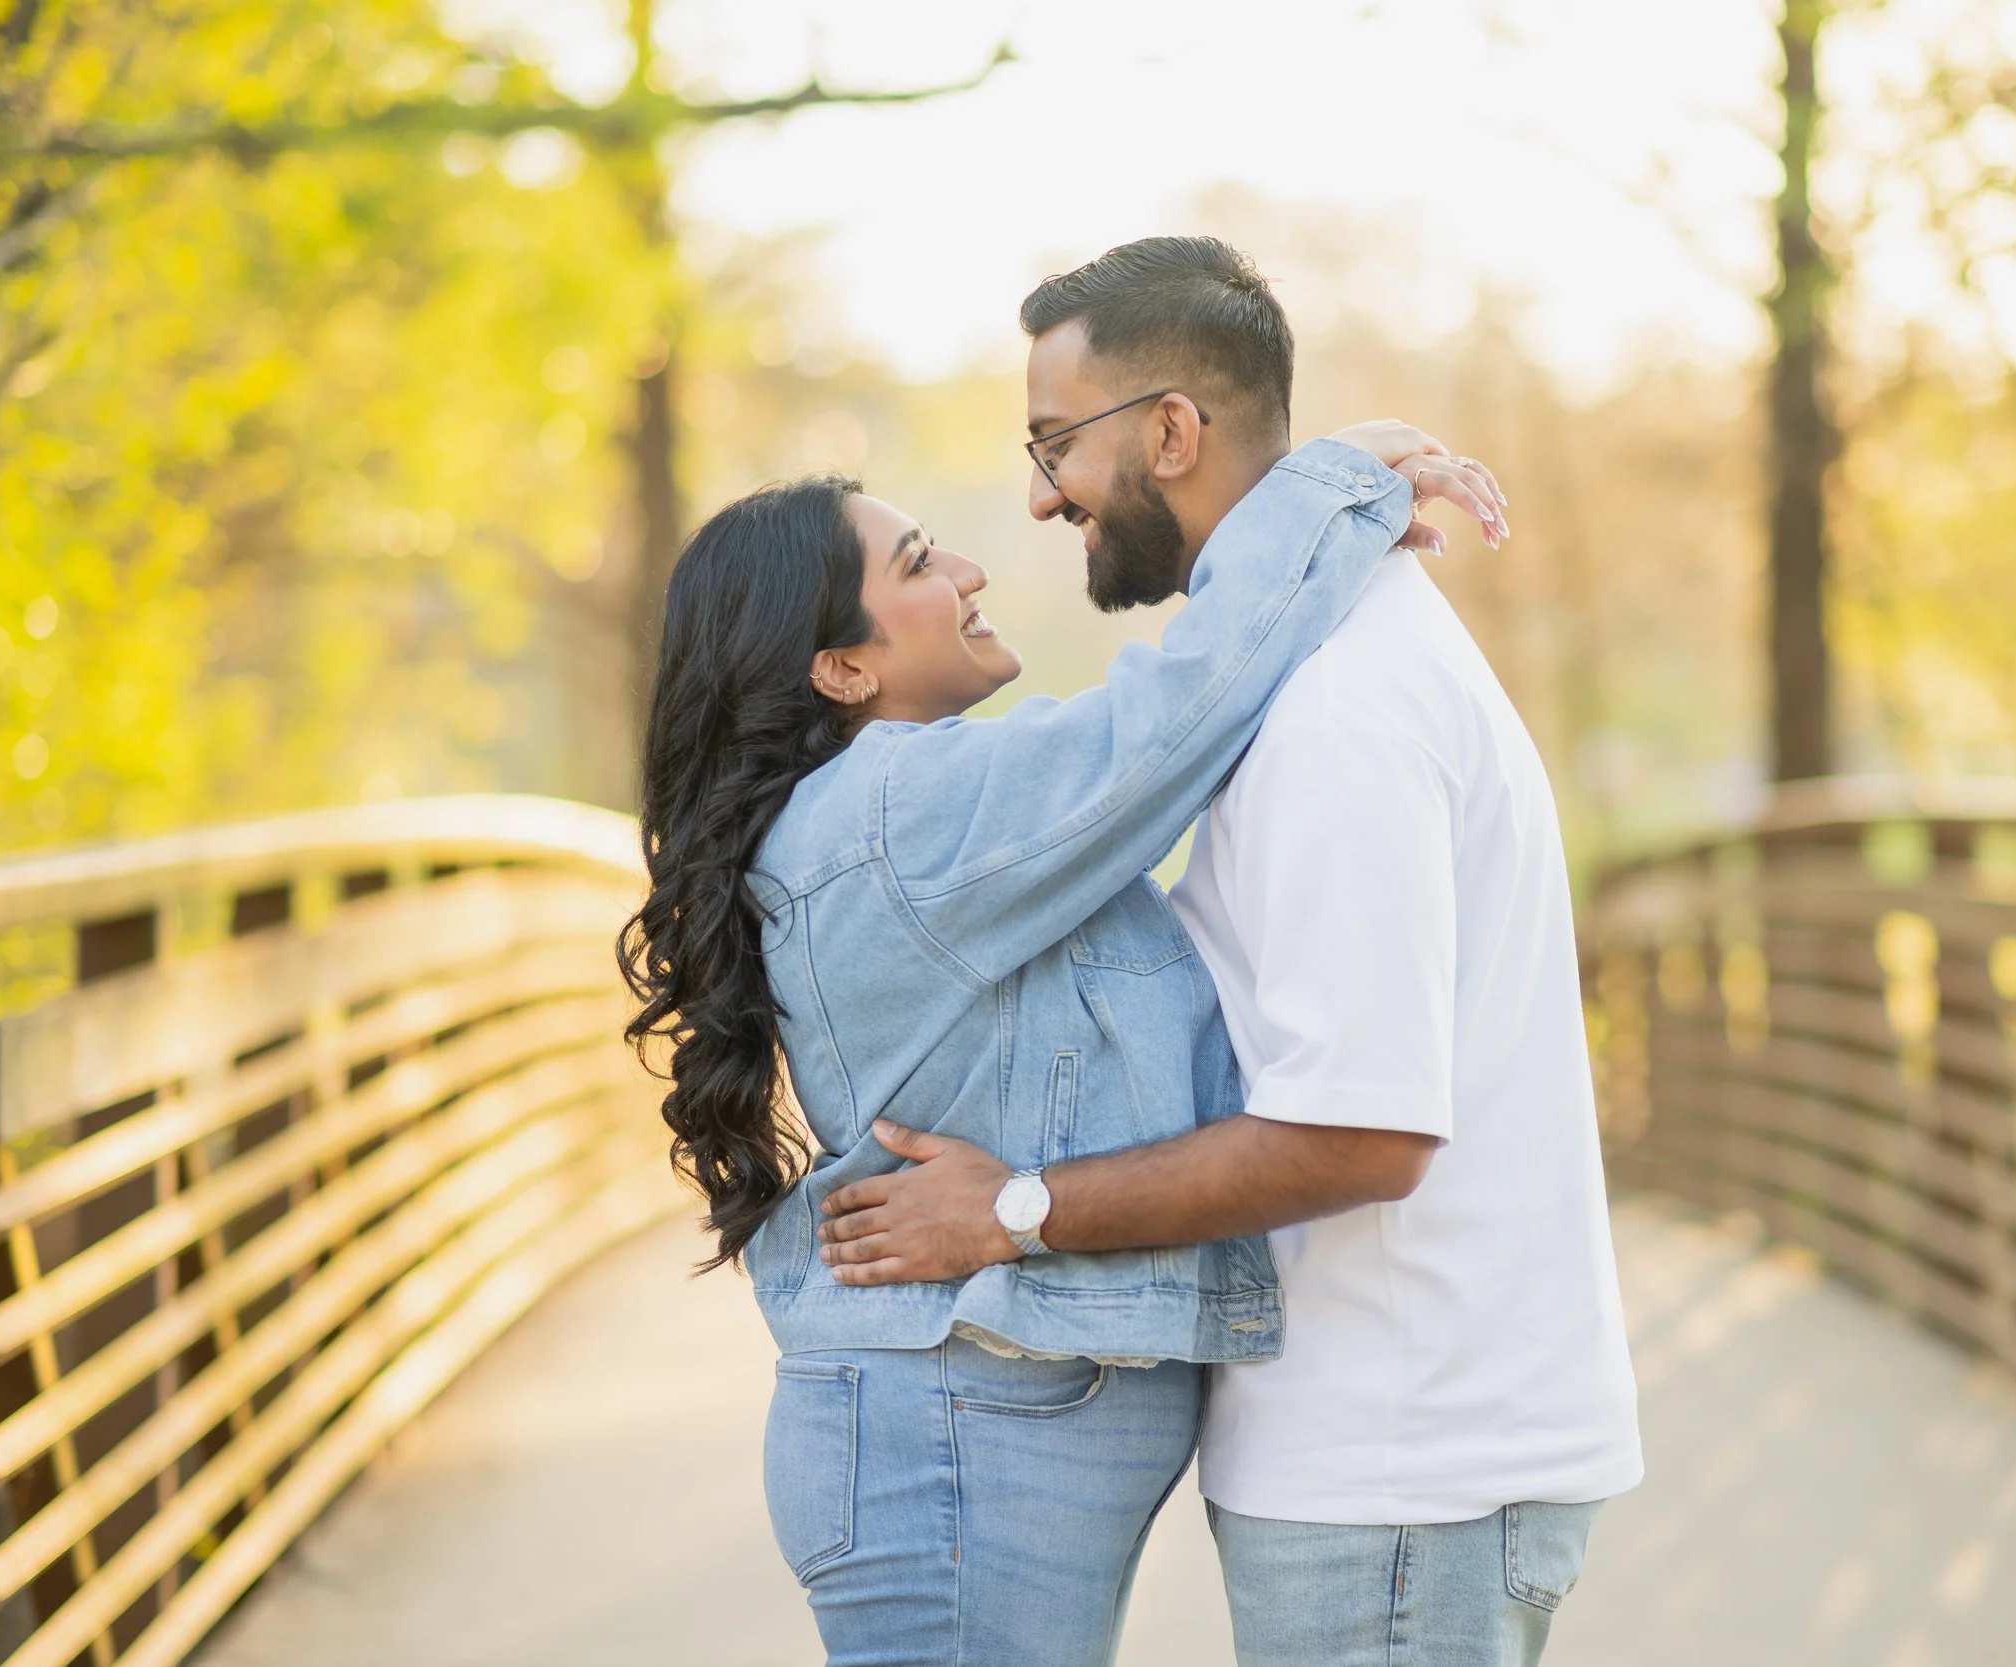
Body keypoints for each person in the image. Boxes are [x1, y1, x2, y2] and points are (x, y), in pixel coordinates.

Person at [617, 311, 1504, 1659]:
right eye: (919, 562)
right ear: (842, 665)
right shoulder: (895, 815)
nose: (971, 565)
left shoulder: (900, 818)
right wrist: (1327, 489)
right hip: (949, 1460)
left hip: (965, 1448)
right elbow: (1172, 721)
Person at [815, 237, 1643, 1667]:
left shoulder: (1335, 710)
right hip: (1385, 1454)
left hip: (1401, 1465)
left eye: (1052, 442)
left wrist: (1009, 1208)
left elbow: (1363, 1130)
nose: (1033, 494)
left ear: (1173, 432)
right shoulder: (1312, 664)